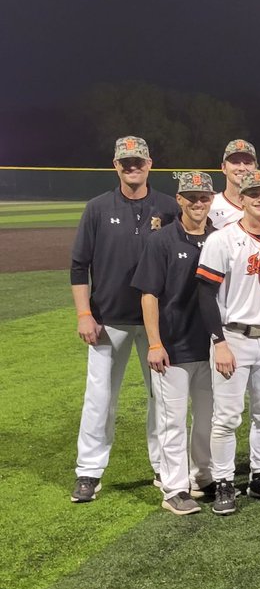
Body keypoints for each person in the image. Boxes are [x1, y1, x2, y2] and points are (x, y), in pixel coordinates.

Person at [69, 136, 178, 504]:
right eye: (125, 162)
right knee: (100, 398)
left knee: (162, 398)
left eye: (138, 161)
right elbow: (79, 265)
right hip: (106, 320)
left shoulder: (168, 206)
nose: (132, 167)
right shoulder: (97, 208)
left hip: (157, 324)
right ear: (115, 165)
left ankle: (165, 467)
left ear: (150, 164)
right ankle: (89, 471)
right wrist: (84, 313)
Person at [195, 170, 260, 513]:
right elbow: (205, 295)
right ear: (243, 199)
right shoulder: (221, 239)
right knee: (227, 417)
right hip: (233, 337)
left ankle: (259, 475)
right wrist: (218, 341)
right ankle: (223, 481)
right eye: (254, 194)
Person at [132, 171, 217, 516]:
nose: (198, 203)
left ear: (211, 200)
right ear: (179, 199)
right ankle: (174, 487)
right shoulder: (162, 240)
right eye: (191, 197)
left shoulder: (220, 237)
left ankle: (201, 475)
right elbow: (149, 294)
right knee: (172, 420)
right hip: (174, 345)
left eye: (204, 197)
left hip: (211, 346)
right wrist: (155, 343)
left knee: (207, 418)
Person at [209, 139, 258, 230]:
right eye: (235, 162)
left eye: (247, 163)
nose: (242, 168)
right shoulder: (209, 206)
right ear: (223, 167)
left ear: (256, 168)